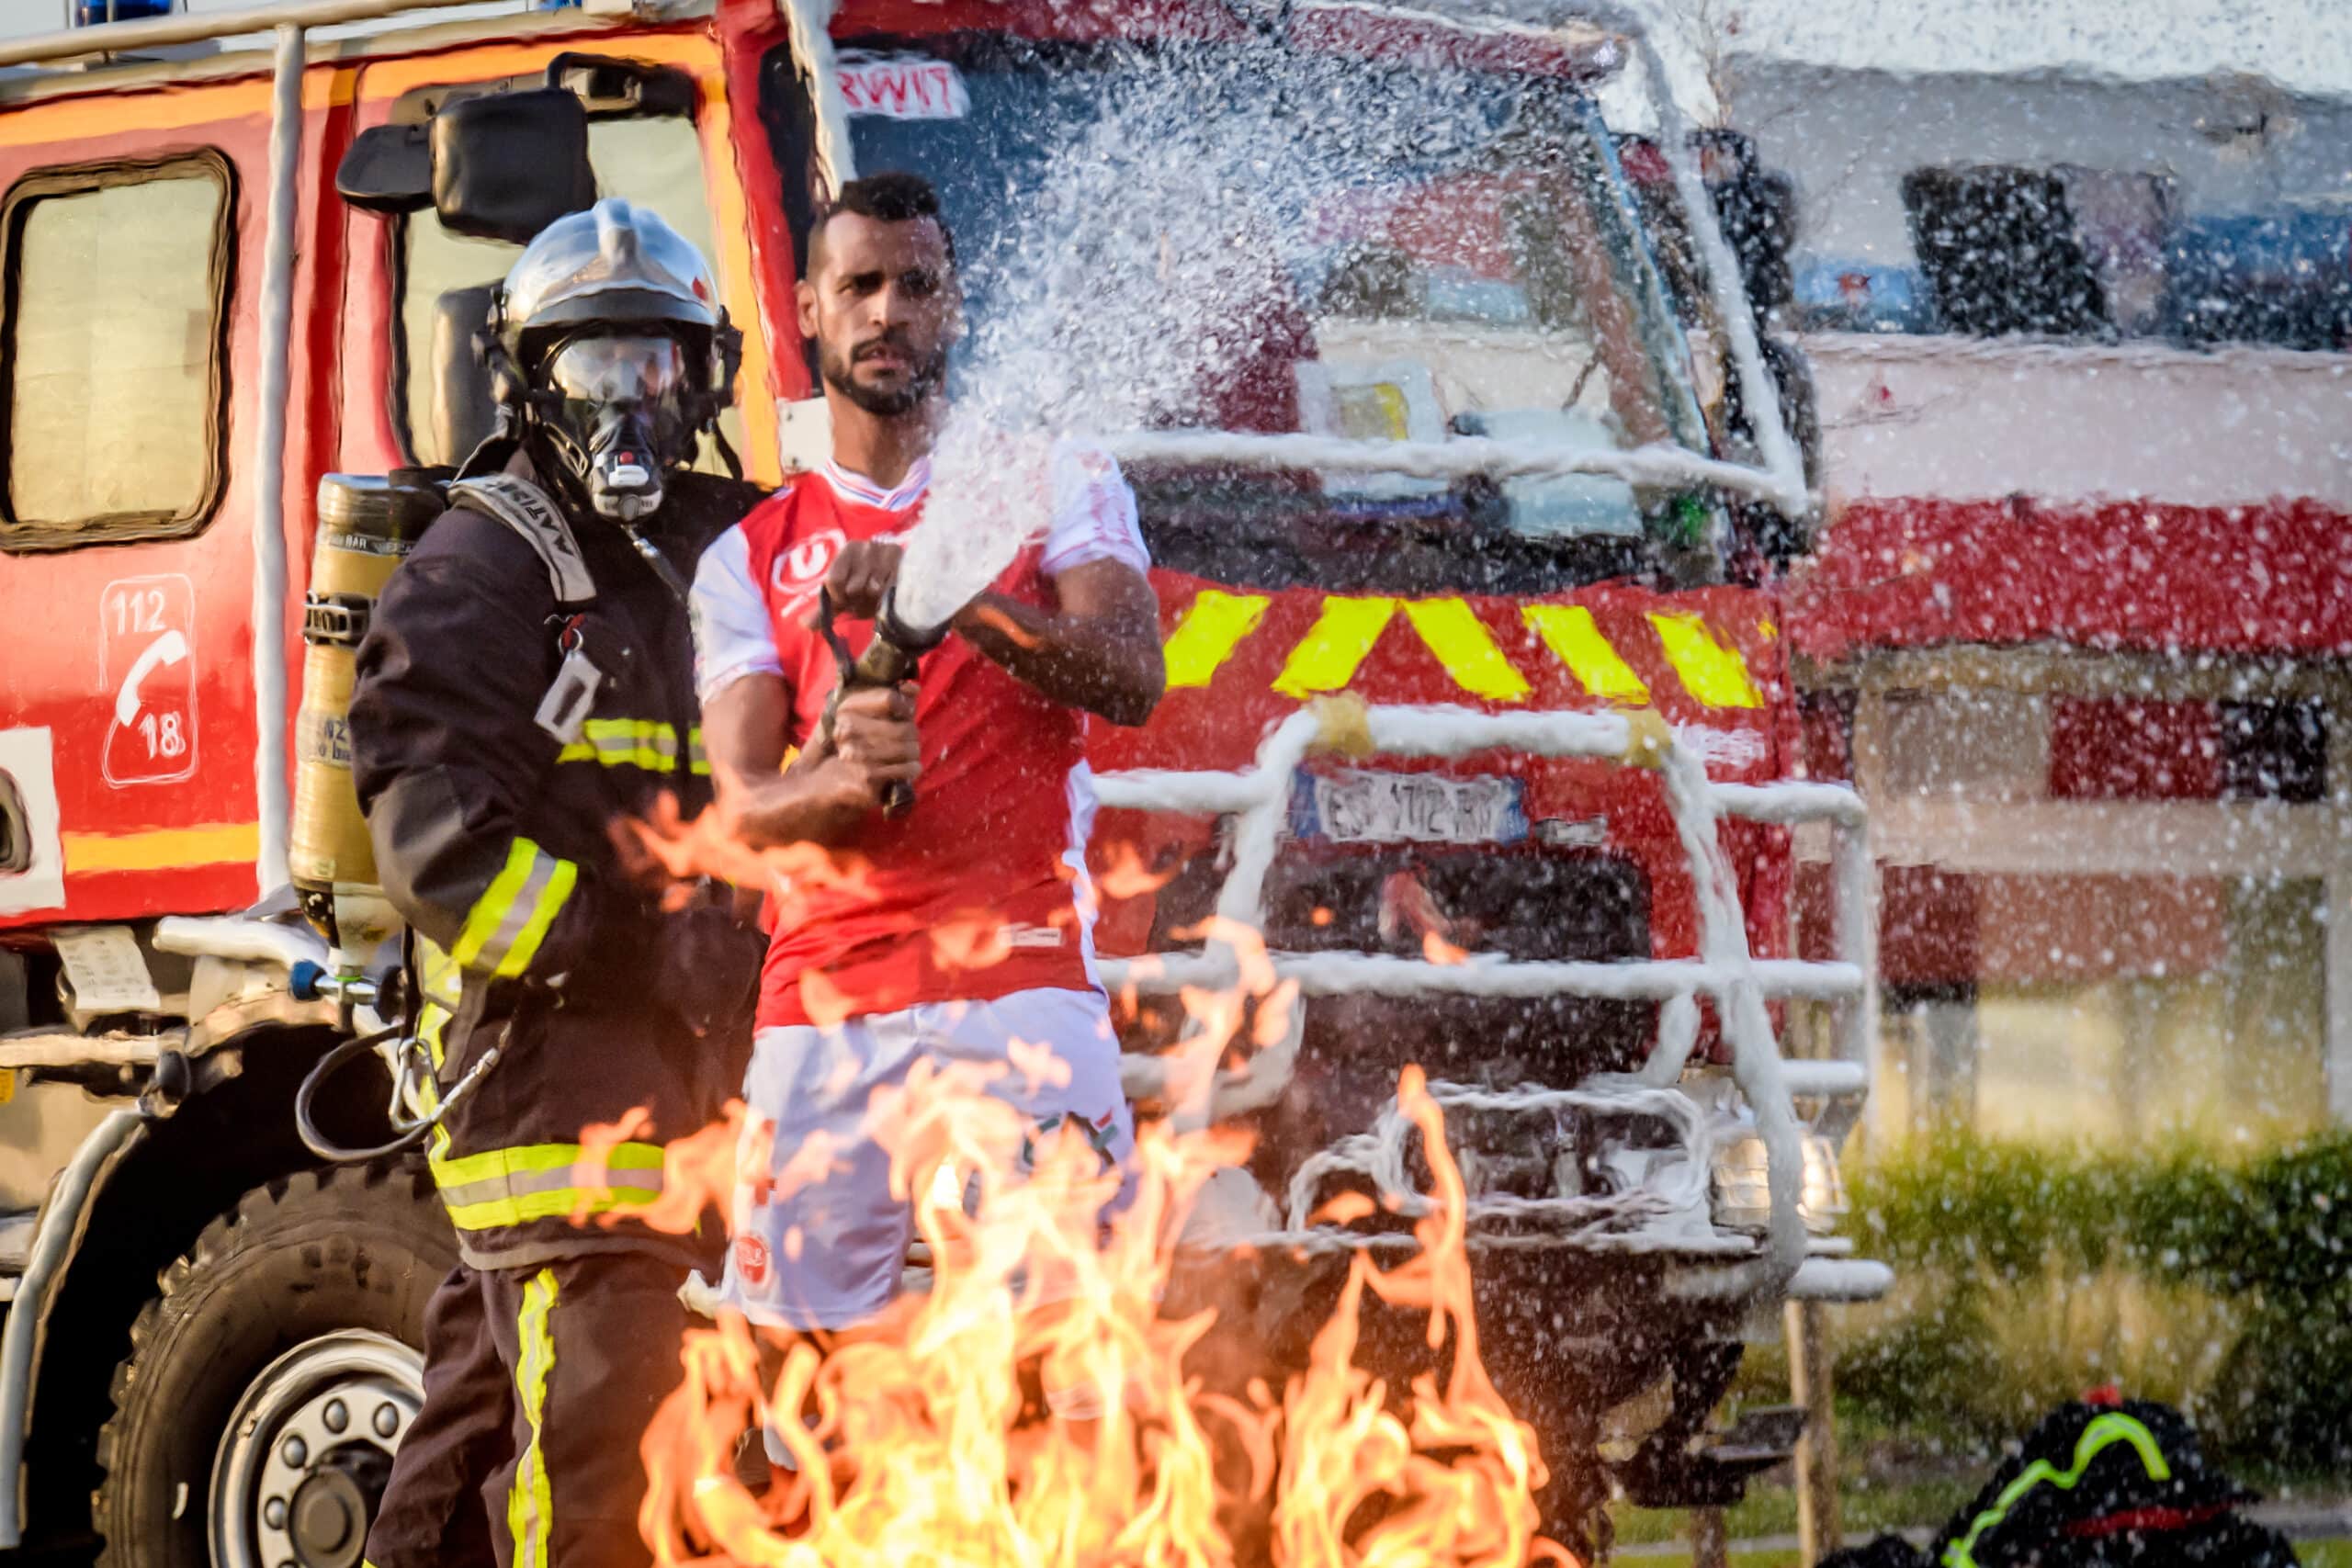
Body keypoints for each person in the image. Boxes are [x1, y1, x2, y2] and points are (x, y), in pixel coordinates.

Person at [351, 198, 765, 1568]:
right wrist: (643, 950)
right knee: (595, 1474)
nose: (630, 407)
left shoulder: (724, 551)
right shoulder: (480, 573)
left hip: (666, 1093)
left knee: (473, 1431)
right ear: (531, 383)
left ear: (704, 377)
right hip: (556, 1098)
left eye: (657, 366)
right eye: (595, 371)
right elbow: (436, 844)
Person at [689, 171, 1166, 1337]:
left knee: (1061, 1384)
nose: (886, 311)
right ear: (807, 306)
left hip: (1021, 986)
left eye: (916, 285)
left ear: (952, 309)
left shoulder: (1050, 479)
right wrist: (843, 783)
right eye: (858, 284)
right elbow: (744, 814)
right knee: (786, 1389)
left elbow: (1131, 674)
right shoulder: (747, 555)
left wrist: (954, 600)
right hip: (818, 1011)